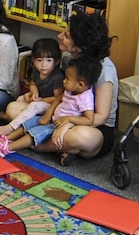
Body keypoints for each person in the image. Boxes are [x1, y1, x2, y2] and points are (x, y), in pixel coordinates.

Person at [31, 10, 120, 160]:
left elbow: (101, 117)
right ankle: (66, 148)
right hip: (64, 112)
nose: (59, 36)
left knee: (80, 137)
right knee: (15, 109)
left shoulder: (105, 70)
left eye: (66, 35)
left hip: (93, 126)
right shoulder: (69, 57)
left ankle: (37, 145)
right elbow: (62, 94)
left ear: (79, 46)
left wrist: (69, 123)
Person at [0, 55, 99, 158]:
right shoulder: (71, 90)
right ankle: (5, 138)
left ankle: (9, 148)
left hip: (58, 126)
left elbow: (89, 119)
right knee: (27, 123)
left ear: (80, 84)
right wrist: (48, 114)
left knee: (34, 134)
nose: (64, 81)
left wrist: (68, 119)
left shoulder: (85, 99)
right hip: (53, 118)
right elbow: (58, 99)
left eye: (67, 79)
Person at [0, 36, 63, 139]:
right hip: (39, 100)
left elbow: (57, 98)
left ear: (56, 61)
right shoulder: (36, 71)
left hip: (51, 105)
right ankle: (12, 118)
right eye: (39, 60)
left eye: (49, 61)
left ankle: (10, 127)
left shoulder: (57, 77)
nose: (43, 65)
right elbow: (33, 84)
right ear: (33, 60)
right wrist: (34, 93)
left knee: (34, 106)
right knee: (20, 98)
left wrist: (40, 100)